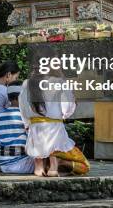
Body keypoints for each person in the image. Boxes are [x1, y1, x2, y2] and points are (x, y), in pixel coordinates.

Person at [19, 47, 90, 177]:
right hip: (55, 131)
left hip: (34, 131)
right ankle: (54, 165)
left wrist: (27, 124)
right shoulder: (59, 82)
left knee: (39, 154)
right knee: (84, 165)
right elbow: (67, 108)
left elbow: (23, 109)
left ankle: (39, 167)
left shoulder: (26, 84)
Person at [0, 81, 35, 174]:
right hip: (20, 163)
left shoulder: (1, 115)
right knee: (46, 158)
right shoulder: (25, 116)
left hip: (3, 165)